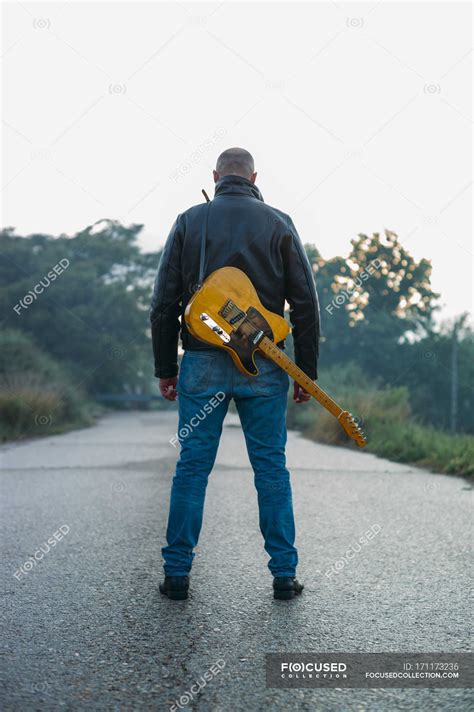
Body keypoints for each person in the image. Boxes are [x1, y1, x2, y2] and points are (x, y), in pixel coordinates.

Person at [150, 147, 320, 600]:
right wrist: (306, 371)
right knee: (271, 469)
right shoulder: (279, 221)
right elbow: (305, 302)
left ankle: (177, 576)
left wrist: (167, 367)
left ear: (216, 176)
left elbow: (163, 302)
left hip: (203, 361)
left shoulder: (190, 220)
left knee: (192, 469)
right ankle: (284, 576)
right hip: (266, 365)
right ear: (254, 176)